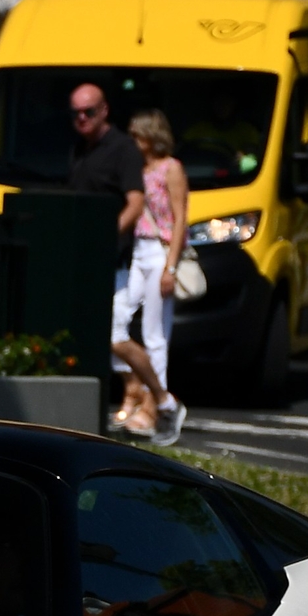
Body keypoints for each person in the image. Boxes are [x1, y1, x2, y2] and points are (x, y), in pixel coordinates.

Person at [107, 109, 188, 444]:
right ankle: (137, 390)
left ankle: (156, 405)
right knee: (115, 319)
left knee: (155, 332)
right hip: (133, 252)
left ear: (152, 137)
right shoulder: (134, 170)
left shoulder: (172, 168)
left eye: (137, 136)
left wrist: (170, 267)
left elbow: (180, 218)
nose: (132, 142)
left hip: (158, 251)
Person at [67, 82, 150, 397]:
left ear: (104, 111)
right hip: (83, 257)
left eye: (88, 112)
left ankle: (157, 396)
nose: (82, 119)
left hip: (114, 260)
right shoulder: (78, 148)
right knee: (95, 332)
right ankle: (134, 393)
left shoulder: (123, 149)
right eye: (76, 113)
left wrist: (106, 235)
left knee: (115, 333)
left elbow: (136, 203)